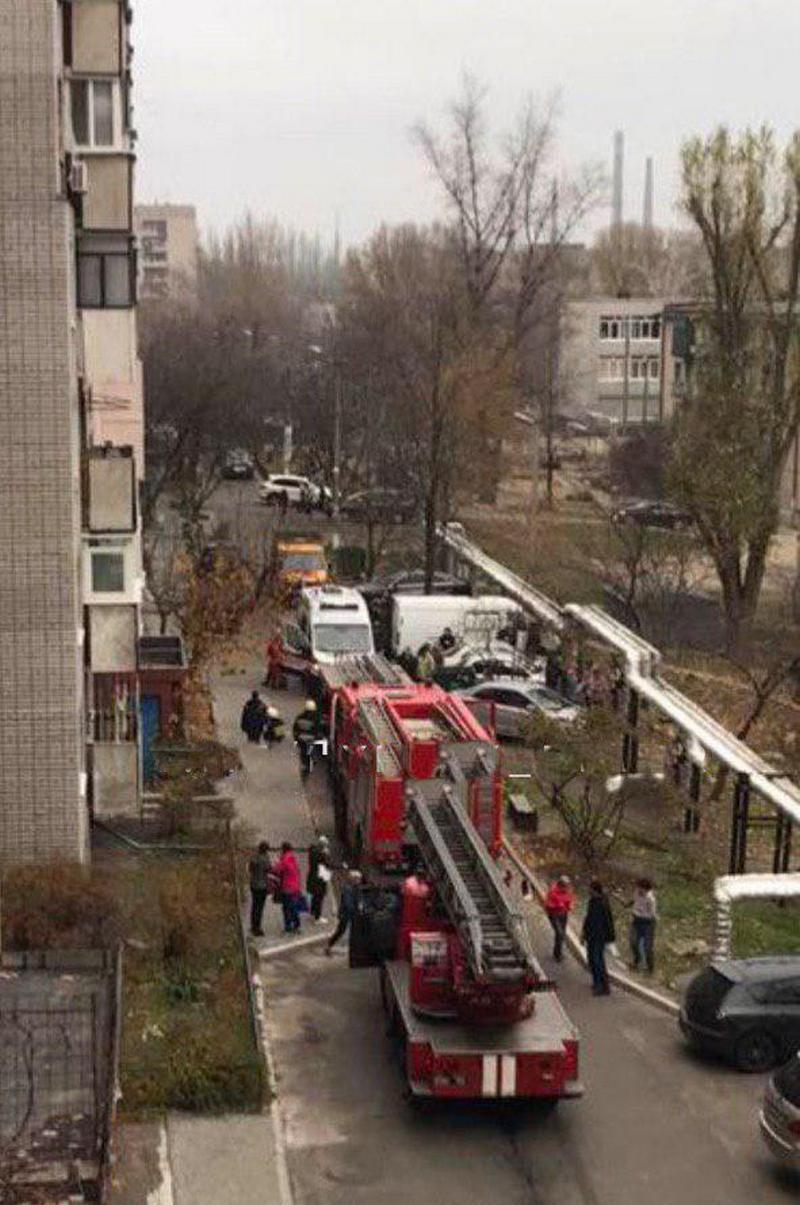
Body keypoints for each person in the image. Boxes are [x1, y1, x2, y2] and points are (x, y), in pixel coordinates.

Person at [581, 879, 616, 995]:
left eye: (590, 888)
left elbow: (608, 921)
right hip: (591, 935)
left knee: (597, 960)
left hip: (599, 936)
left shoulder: (602, 903)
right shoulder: (593, 901)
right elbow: (588, 918)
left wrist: (609, 936)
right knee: (592, 959)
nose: (588, 890)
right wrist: (584, 933)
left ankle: (603, 986)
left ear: (594, 890)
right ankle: (597, 982)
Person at [325, 869, 362, 955]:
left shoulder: (356, 888)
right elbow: (348, 903)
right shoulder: (348, 889)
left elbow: (357, 900)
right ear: (353, 879)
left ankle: (355, 948)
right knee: (341, 930)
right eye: (358, 879)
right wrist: (356, 910)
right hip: (345, 914)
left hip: (350, 913)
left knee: (351, 931)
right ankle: (329, 945)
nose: (359, 881)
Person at [629, 878, 657, 973]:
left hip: (647, 923)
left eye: (641, 889)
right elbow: (634, 900)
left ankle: (650, 968)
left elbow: (651, 915)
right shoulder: (637, 892)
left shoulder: (651, 899)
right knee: (633, 942)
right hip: (636, 920)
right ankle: (637, 961)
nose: (639, 890)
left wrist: (639, 913)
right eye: (638, 888)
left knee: (647, 947)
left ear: (646, 889)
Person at [544, 874, 574, 962]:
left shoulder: (568, 891)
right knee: (559, 933)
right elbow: (547, 905)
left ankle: (557, 952)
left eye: (567, 886)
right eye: (565, 886)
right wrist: (557, 905)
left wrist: (570, 905)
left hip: (564, 915)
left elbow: (570, 900)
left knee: (561, 934)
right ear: (560, 885)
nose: (566, 888)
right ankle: (557, 954)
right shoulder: (553, 892)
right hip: (554, 915)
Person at [275, 842, 303, 934]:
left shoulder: (285, 860)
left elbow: (277, 870)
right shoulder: (293, 859)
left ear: (283, 849)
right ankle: (297, 925)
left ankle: (288, 927)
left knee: (287, 908)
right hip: (295, 887)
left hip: (287, 887)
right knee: (294, 906)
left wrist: (277, 861)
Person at [248, 841, 273, 937]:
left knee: (254, 906)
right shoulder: (265, 858)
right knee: (260, 907)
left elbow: (250, 869)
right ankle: (257, 928)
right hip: (262, 886)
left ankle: (253, 925)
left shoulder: (254, 857)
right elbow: (269, 869)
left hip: (254, 884)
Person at [293, 699, 320, 780]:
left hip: (301, 741)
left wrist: (296, 739)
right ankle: (308, 768)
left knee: (303, 755)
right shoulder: (315, 719)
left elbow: (295, 729)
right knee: (310, 754)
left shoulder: (299, 717)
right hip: (310, 741)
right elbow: (317, 731)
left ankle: (305, 768)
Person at [307, 835, 331, 922]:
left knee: (315, 896)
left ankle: (313, 913)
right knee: (319, 897)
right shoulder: (321, 854)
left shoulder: (313, 852)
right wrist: (326, 855)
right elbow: (326, 865)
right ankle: (317, 917)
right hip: (320, 878)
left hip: (313, 877)